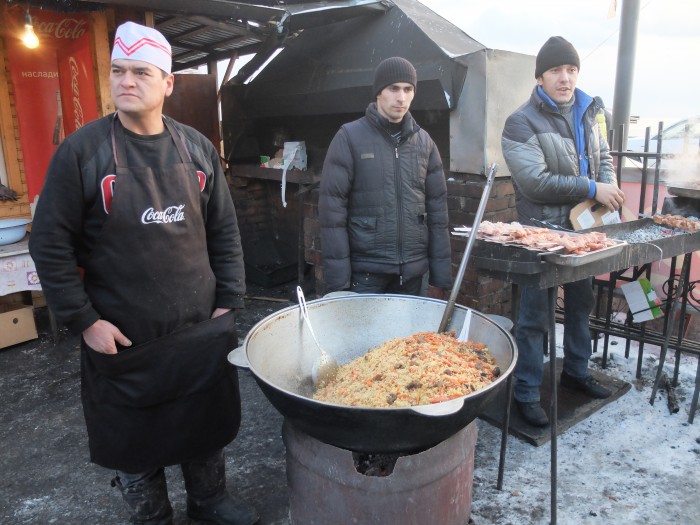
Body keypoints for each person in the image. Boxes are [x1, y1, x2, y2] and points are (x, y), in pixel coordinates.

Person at [29, 22, 258, 525]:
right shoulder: (81, 153)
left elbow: (224, 231)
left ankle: (209, 501)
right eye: (118, 71)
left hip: (200, 326)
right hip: (125, 339)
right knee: (135, 441)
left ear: (167, 82)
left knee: (204, 423)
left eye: (140, 71)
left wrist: (229, 300)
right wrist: (84, 320)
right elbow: (48, 244)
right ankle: (152, 517)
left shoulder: (197, 150)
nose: (126, 81)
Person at [501, 36, 626, 427]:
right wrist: (592, 188)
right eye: (556, 70)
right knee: (535, 316)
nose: (565, 77)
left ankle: (576, 370)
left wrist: (606, 194)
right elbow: (535, 182)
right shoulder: (521, 121)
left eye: (571, 69)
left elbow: (603, 158)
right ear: (540, 77)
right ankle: (525, 391)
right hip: (542, 234)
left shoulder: (589, 113)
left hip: (582, 234)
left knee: (580, 305)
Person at [318, 56, 452, 299]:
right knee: (362, 338)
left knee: (409, 338)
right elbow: (332, 215)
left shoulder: (425, 143)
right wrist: (339, 284)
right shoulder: (349, 137)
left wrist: (439, 279)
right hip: (365, 276)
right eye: (393, 88)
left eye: (408, 89)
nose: (401, 97)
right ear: (379, 92)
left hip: (412, 275)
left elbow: (438, 214)